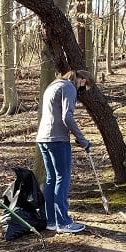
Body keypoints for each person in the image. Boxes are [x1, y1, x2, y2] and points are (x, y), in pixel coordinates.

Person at [36, 70, 93, 233]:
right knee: (62, 178)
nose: (82, 90)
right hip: (57, 139)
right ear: (82, 80)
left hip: (43, 138)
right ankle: (64, 222)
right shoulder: (69, 87)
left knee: (52, 178)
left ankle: (51, 221)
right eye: (84, 86)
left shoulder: (53, 85)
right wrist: (82, 140)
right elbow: (67, 116)